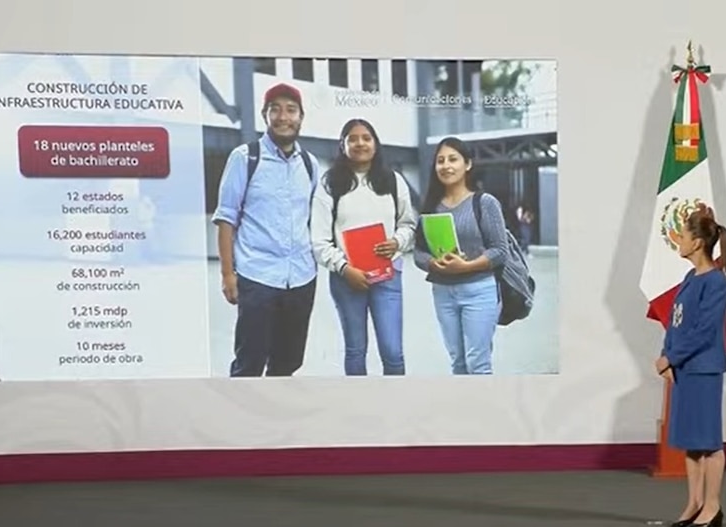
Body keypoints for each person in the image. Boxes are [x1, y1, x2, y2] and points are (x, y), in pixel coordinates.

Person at [211, 83, 321, 377]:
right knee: (249, 364)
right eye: (275, 109)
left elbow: (314, 218)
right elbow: (226, 219)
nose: (283, 117)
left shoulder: (310, 164)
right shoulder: (244, 158)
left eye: (291, 110)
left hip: (301, 279)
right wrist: (227, 274)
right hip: (257, 277)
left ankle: (277, 408)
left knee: (288, 364)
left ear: (301, 116)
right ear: (265, 115)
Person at [311, 119, 417, 376]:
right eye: (353, 138)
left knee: (393, 352)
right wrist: (344, 268)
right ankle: (357, 399)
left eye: (366, 138)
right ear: (342, 145)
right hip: (347, 278)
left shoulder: (393, 180)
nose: (360, 143)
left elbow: (408, 224)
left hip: (387, 276)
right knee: (356, 351)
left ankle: (396, 398)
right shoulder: (329, 184)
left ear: (376, 144)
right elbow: (319, 240)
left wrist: (397, 242)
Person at [654, 208, 726, 527]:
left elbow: (703, 331)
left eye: (683, 236)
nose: (679, 241)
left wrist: (671, 358)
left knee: (709, 441)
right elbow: (676, 323)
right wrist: (666, 354)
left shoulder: (716, 282)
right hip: (685, 368)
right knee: (691, 441)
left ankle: (712, 505)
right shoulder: (690, 278)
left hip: (704, 370)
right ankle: (694, 502)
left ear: (698, 242)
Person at [413, 137, 510, 375]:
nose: (446, 166)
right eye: (440, 161)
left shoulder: (484, 202)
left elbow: (500, 250)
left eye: (453, 159)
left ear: (467, 164)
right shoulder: (431, 206)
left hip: (479, 290)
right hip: (443, 293)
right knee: (457, 361)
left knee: (478, 362)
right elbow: (418, 252)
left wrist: (466, 266)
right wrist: (432, 263)